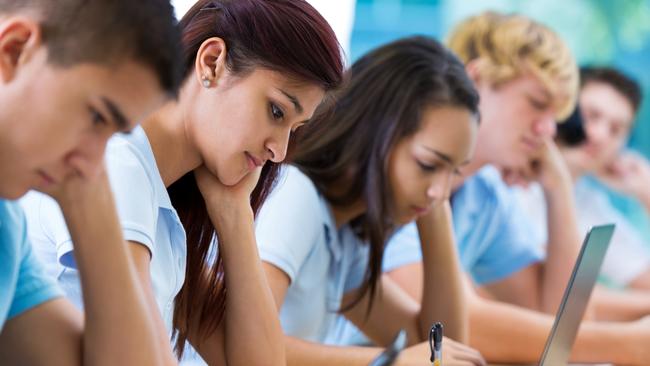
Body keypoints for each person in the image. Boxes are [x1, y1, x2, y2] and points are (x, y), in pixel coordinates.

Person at [21, 0, 344, 365]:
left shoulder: (165, 210)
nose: (280, 151)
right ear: (212, 63)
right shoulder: (120, 159)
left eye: (294, 129)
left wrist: (235, 214)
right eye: (276, 111)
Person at [342, 12, 650, 365]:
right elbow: (451, 329)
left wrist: (558, 188)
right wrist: (627, 345)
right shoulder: (404, 173)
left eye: (555, 114)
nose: (547, 129)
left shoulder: (484, 194)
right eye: (537, 104)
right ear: (476, 80)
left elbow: (553, 315)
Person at [256, 36, 485, 366]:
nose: (440, 190)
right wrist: (387, 362)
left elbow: (439, 350)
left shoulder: (344, 234)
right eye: (428, 165)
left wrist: (436, 215)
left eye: (454, 171)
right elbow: (243, 345)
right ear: (374, 132)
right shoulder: (296, 195)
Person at [0, 0, 184, 365]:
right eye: (97, 117)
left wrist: (89, 201)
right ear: (15, 49)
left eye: (116, 134)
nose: (94, 165)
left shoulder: (8, 227)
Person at [515, 66, 650, 321]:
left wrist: (647, 194)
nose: (598, 135)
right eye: (591, 115)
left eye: (616, 130)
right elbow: (558, 296)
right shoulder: (511, 184)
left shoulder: (591, 205)